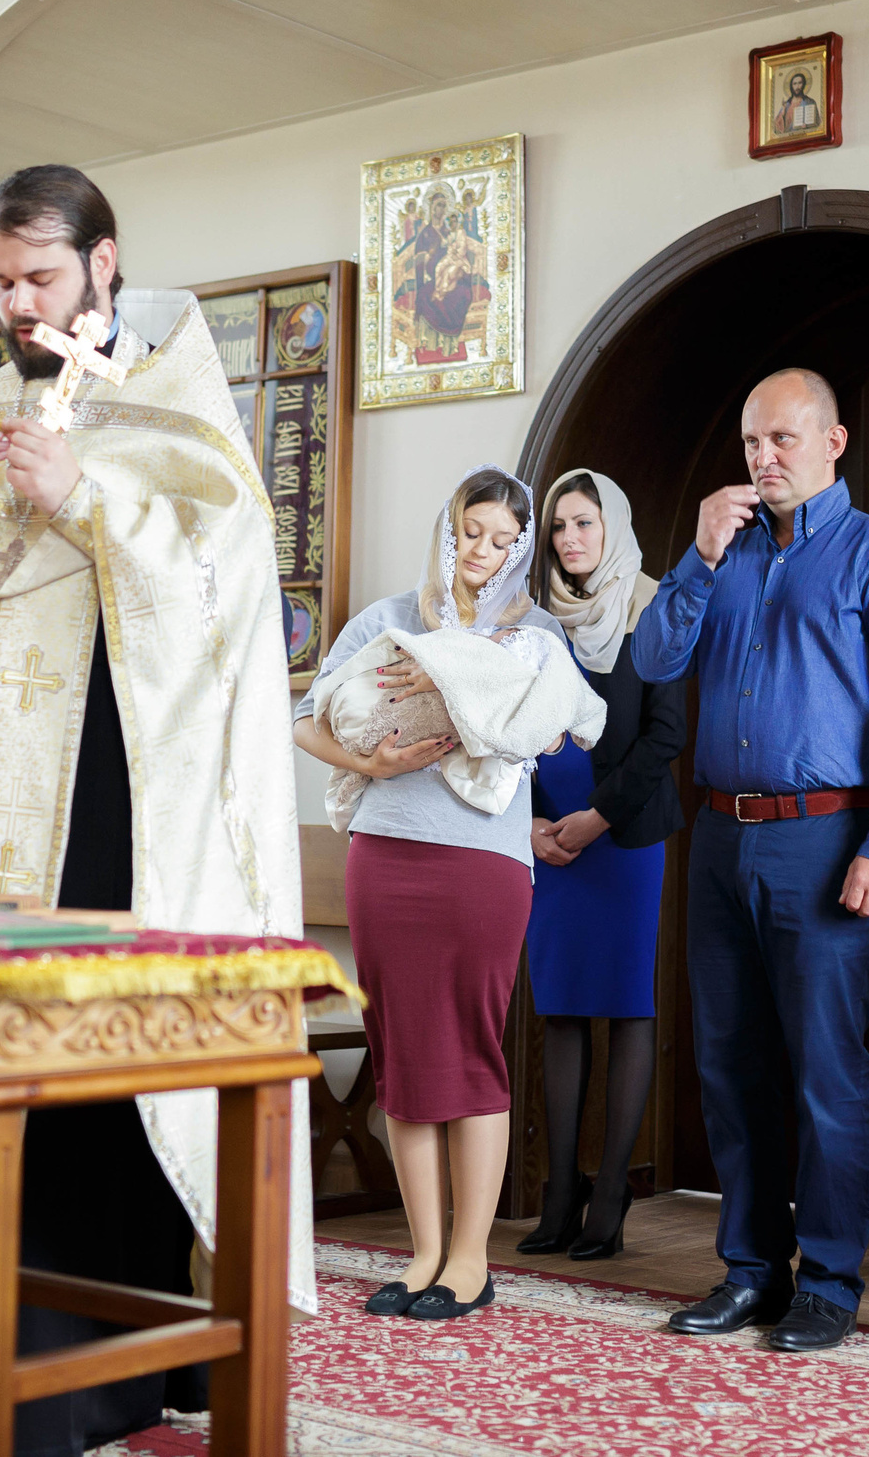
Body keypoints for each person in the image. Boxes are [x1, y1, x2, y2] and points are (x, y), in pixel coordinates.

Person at [0, 163, 311, 1456]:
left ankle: (90, 1386)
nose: (18, 304)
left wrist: (86, 497)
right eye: (0, 280)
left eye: (40, 276)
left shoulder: (180, 417)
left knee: (83, 1099)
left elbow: (221, 599)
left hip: (109, 826)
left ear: (104, 262)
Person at [632, 367, 869, 1354]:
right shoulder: (720, 554)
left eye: (782, 439)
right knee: (729, 1065)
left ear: (832, 442)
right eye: (750, 443)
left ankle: (830, 1281)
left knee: (825, 1070)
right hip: (719, 838)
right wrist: (694, 558)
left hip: (827, 840)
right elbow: (652, 661)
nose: (763, 458)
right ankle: (751, 1271)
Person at [292, 466, 578, 1322]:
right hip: (386, 857)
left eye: (502, 540)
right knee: (403, 1052)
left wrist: (473, 690)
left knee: (473, 1049)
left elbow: (554, 732)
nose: (482, 552)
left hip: (485, 865)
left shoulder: (533, 636)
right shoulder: (387, 619)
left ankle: (470, 1261)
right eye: (470, 532)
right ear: (447, 529)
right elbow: (305, 717)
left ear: (519, 550)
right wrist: (367, 761)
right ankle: (422, 1256)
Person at [517, 469, 685, 1262]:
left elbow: (666, 734)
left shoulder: (652, 609)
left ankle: (611, 1191)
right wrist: (531, 823)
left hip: (622, 836)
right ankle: (560, 1191)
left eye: (584, 522)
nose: (570, 538)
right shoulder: (532, 619)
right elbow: (505, 725)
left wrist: (598, 816)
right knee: (560, 1008)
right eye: (559, 526)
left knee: (624, 1004)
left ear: (612, 525)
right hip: (549, 839)